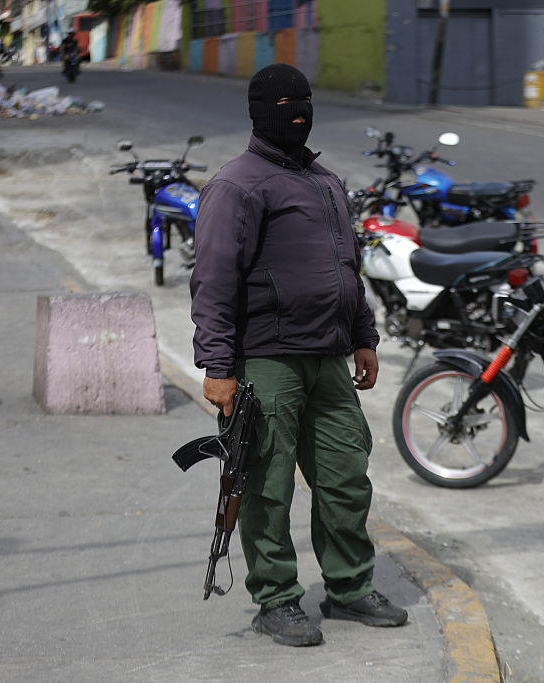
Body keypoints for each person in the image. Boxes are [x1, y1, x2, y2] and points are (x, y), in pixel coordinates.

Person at [189, 63, 407, 647]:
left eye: (305, 100)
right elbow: (212, 280)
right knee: (266, 485)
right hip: (266, 362)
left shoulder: (326, 181)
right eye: (285, 101)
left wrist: (364, 335)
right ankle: (277, 598)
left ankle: (349, 587)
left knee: (345, 478)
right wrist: (217, 365)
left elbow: (347, 269)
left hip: (329, 358)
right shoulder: (236, 185)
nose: (298, 111)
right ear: (259, 111)